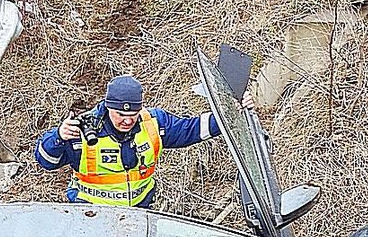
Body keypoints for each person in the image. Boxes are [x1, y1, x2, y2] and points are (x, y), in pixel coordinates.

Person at [34, 75, 245, 208]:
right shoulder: (83, 129)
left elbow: (193, 130)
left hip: (139, 216)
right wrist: (58, 137)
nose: (127, 120)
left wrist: (231, 112)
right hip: (91, 217)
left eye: (133, 114)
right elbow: (46, 161)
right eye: (119, 114)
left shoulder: (153, 122)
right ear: (107, 107)